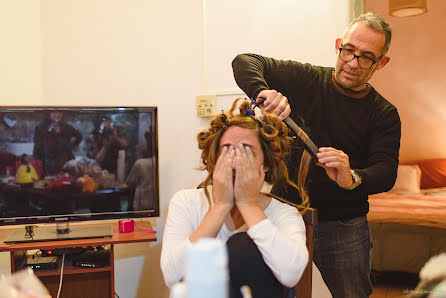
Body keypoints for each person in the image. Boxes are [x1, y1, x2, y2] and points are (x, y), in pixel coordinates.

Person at [232, 12, 401, 298]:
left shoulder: (384, 114)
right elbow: (244, 61)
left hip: (345, 226)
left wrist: (353, 178)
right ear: (338, 44)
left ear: (381, 62)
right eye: (348, 51)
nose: (352, 63)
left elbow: (386, 172)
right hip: (285, 213)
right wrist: (264, 92)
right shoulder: (305, 78)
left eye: (366, 57)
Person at [161, 98, 311, 298]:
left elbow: (291, 274)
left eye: (246, 150)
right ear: (214, 159)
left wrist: (248, 204)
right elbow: (172, 275)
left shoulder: (284, 213)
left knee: (244, 245)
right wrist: (221, 206)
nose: (235, 160)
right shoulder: (186, 202)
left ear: (265, 164)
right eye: (226, 150)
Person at [33, 111, 82, 176]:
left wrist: (70, 147)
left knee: (65, 181)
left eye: (59, 112)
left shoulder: (66, 127)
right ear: (49, 114)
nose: (57, 115)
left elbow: (79, 136)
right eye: (54, 112)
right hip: (47, 163)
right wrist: (37, 161)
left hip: (64, 161)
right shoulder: (41, 128)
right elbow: (37, 146)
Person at [126, 131, 154, 210]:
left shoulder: (141, 163)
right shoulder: (158, 162)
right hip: (154, 204)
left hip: (142, 205)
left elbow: (129, 182)